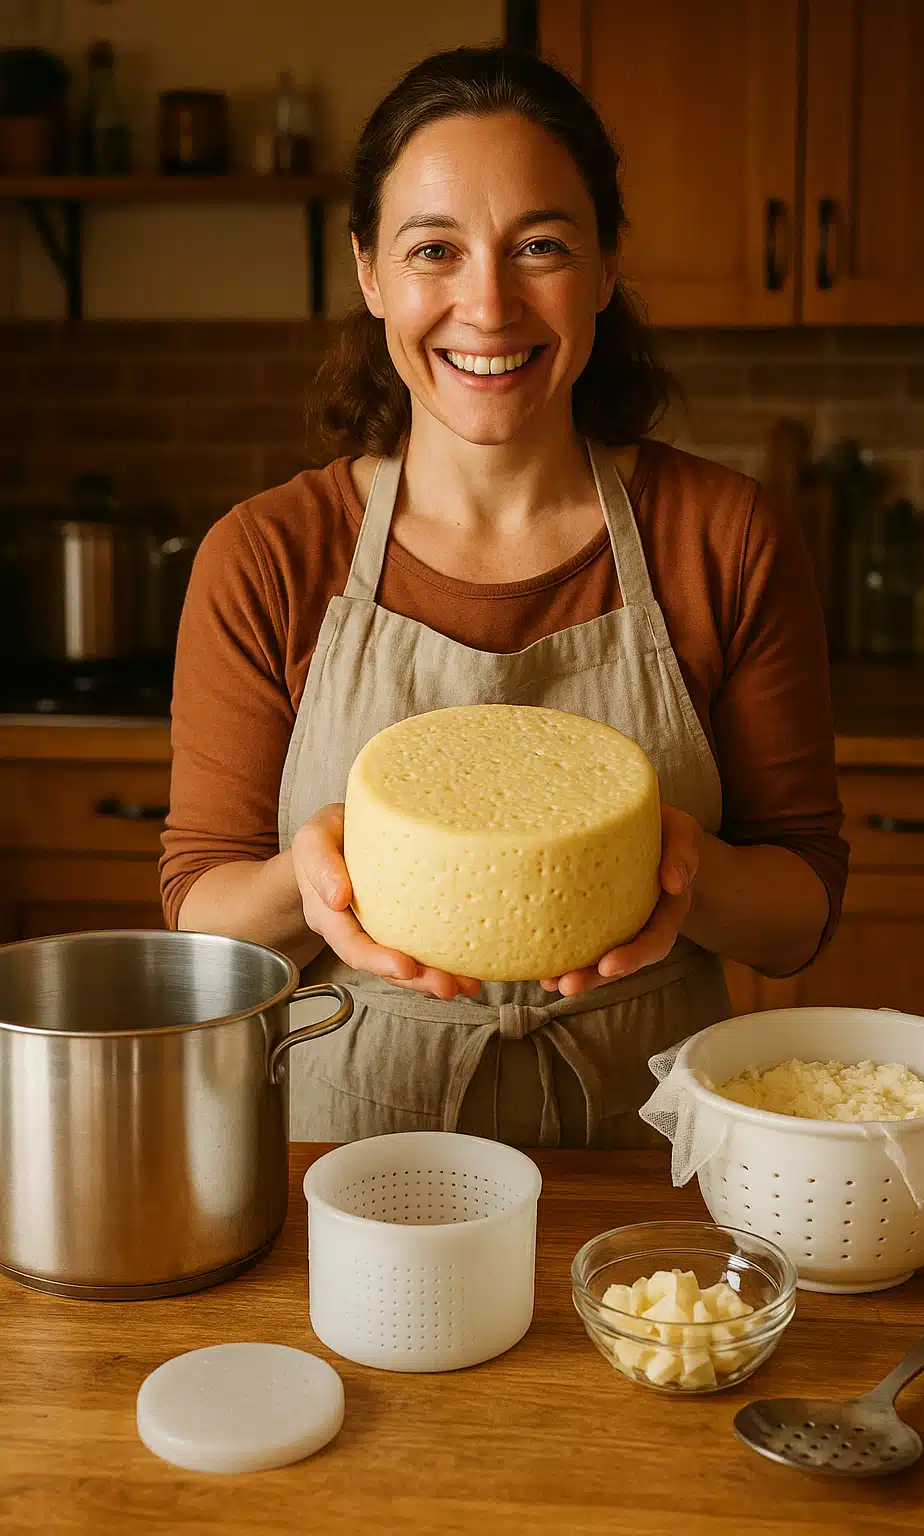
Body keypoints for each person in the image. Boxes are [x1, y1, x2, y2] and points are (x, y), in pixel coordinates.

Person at [160, 45, 848, 1147]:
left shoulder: (725, 537)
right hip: (344, 1153)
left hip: (652, 1149)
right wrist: (312, 877)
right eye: (434, 249)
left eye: (539, 246)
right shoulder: (267, 555)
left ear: (606, 267)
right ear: (370, 272)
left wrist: (684, 870)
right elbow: (199, 911)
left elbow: (798, 909)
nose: (487, 303)